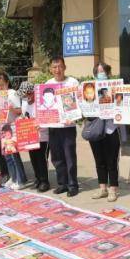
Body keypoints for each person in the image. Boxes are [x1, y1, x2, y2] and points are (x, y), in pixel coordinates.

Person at [46, 56, 80, 197]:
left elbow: (78, 102)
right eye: (54, 67)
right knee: (57, 157)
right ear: (50, 69)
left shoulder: (72, 82)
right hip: (53, 126)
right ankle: (62, 184)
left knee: (69, 156)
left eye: (60, 66)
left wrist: (74, 117)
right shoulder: (48, 84)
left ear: (64, 67)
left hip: (68, 127)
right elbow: (44, 106)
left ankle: (73, 185)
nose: (57, 69)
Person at [89, 62, 121, 202]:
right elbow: (86, 108)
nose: (101, 74)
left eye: (103, 72)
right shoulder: (89, 89)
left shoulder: (116, 87)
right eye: (98, 72)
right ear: (95, 74)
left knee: (111, 160)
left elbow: (122, 105)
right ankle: (102, 188)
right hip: (96, 129)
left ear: (108, 73)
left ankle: (113, 189)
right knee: (99, 160)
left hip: (111, 129)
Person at [0, 73, 28, 189]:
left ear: (7, 82)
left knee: (14, 154)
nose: (1, 87)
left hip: (12, 127)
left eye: (2, 85)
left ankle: (21, 180)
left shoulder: (12, 93)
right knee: (7, 156)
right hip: (3, 128)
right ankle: (13, 178)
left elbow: (20, 110)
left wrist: (11, 108)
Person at [18, 81, 50, 192]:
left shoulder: (41, 103)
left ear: (32, 92)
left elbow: (48, 117)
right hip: (30, 137)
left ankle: (44, 181)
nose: (25, 97)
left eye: (27, 94)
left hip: (42, 136)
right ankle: (38, 178)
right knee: (33, 158)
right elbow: (24, 116)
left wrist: (40, 124)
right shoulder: (25, 103)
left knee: (41, 159)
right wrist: (21, 120)